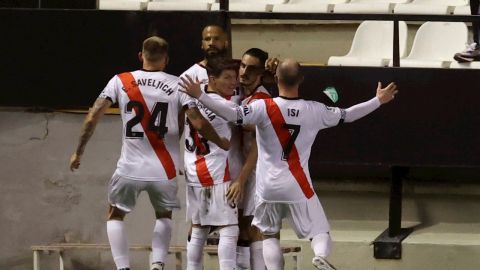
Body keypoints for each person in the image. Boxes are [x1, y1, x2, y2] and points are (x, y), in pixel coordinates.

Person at [179, 58, 398, 270]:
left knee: (269, 235)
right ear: (301, 79)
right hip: (297, 184)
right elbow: (349, 115)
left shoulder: (264, 107)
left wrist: (200, 95)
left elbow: (233, 114)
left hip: (266, 188)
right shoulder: (315, 109)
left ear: (275, 78)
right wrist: (378, 100)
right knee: (320, 232)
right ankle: (320, 256)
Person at [69, 36, 229, 270]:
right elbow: (198, 122)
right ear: (167, 59)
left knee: (115, 214)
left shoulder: (121, 80)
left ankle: (123, 267)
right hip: (164, 170)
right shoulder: (178, 84)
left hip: (129, 168)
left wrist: (78, 151)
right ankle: (157, 265)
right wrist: (221, 142)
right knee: (163, 215)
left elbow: (93, 116)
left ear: (140, 56)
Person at [184, 57, 241, 270]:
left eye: (234, 78)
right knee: (229, 227)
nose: (233, 82)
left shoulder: (190, 101)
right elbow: (248, 122)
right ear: (212, 79)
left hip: (193, 169)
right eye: (227, 77)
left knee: (199, 228)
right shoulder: (225, 105)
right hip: (213, 171)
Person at [225, 48, 272, 270]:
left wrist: (241, 179)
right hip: (247, 169)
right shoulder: (244, 95)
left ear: (261, 74)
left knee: (255, 229)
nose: (244, 72)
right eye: (242, 66)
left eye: (251, 68)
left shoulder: (261, 100)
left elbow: (250, 128)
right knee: (242, 227)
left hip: (260, 172)